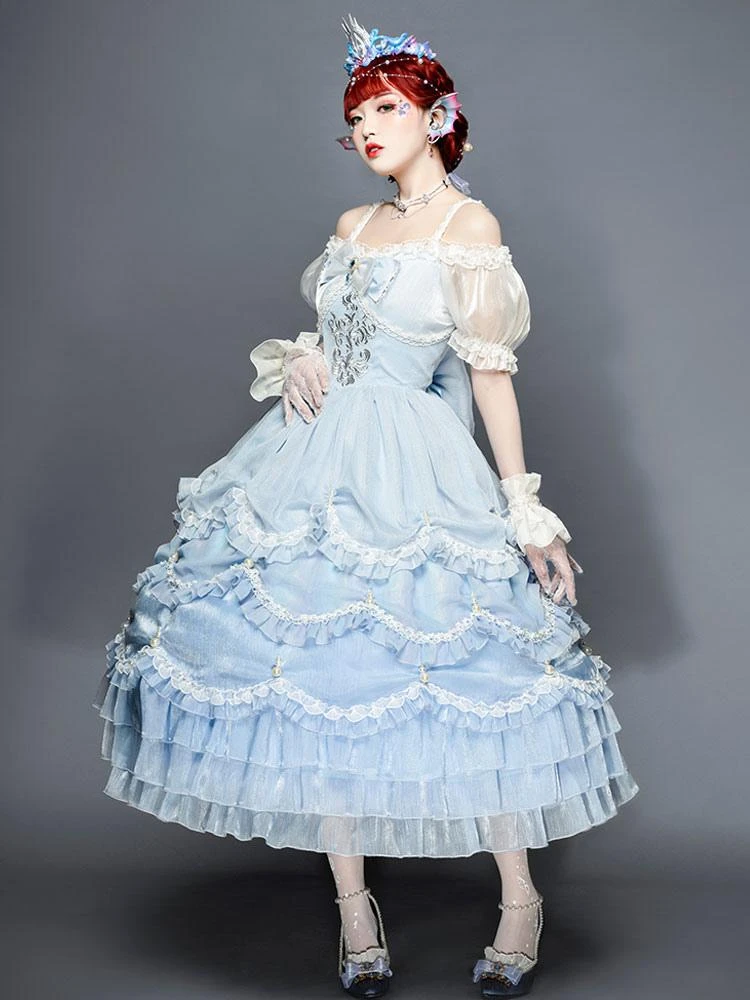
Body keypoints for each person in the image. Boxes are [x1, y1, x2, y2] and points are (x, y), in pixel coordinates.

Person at [92, 13, 639, 998]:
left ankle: (520, 898)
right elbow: (341, 332)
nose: (368, 129)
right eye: (356, 117)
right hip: (310, 460)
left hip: (412, 462)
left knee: (471, 675)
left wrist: (522, 508)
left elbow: (485, 376)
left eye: (385, 108)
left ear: (437, 115)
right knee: (323, 682)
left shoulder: (469, 228)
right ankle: (355, 913)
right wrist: (306, 355)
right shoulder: (353, 227)